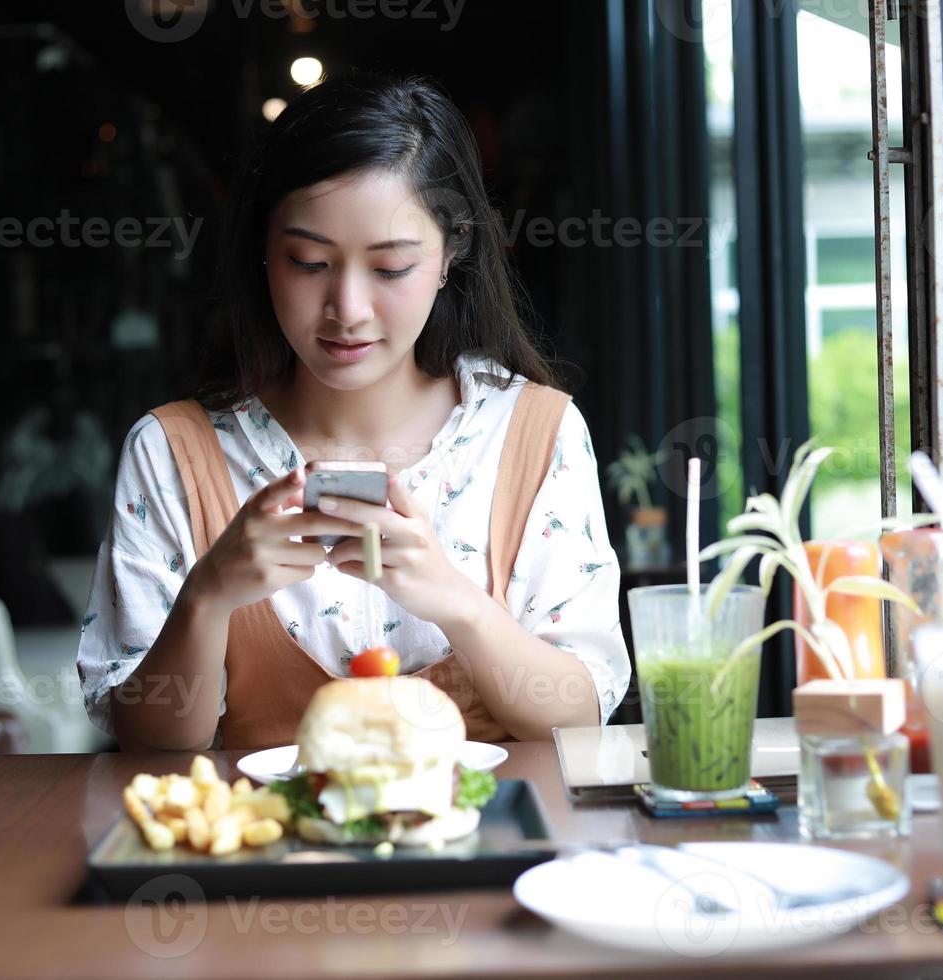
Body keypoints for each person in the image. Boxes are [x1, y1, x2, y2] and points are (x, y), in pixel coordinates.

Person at [76, 71, 629, 751]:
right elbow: (150, 749)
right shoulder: (174, 453)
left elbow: (576, 718)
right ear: (262, 251)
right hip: (258, 854)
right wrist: (208, 597)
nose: (348, 310)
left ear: (453, 250)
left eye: (391, 268)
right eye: (308, 262)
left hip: (497, 852)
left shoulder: (532, 435)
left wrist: (455, 602)